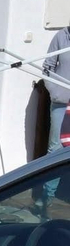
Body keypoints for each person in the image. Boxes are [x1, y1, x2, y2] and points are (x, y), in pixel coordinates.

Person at [45, 23, 70, 154]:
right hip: (61, 103)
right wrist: (55, 91)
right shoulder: (61, 36)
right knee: (55, 148)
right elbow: (48, 67)